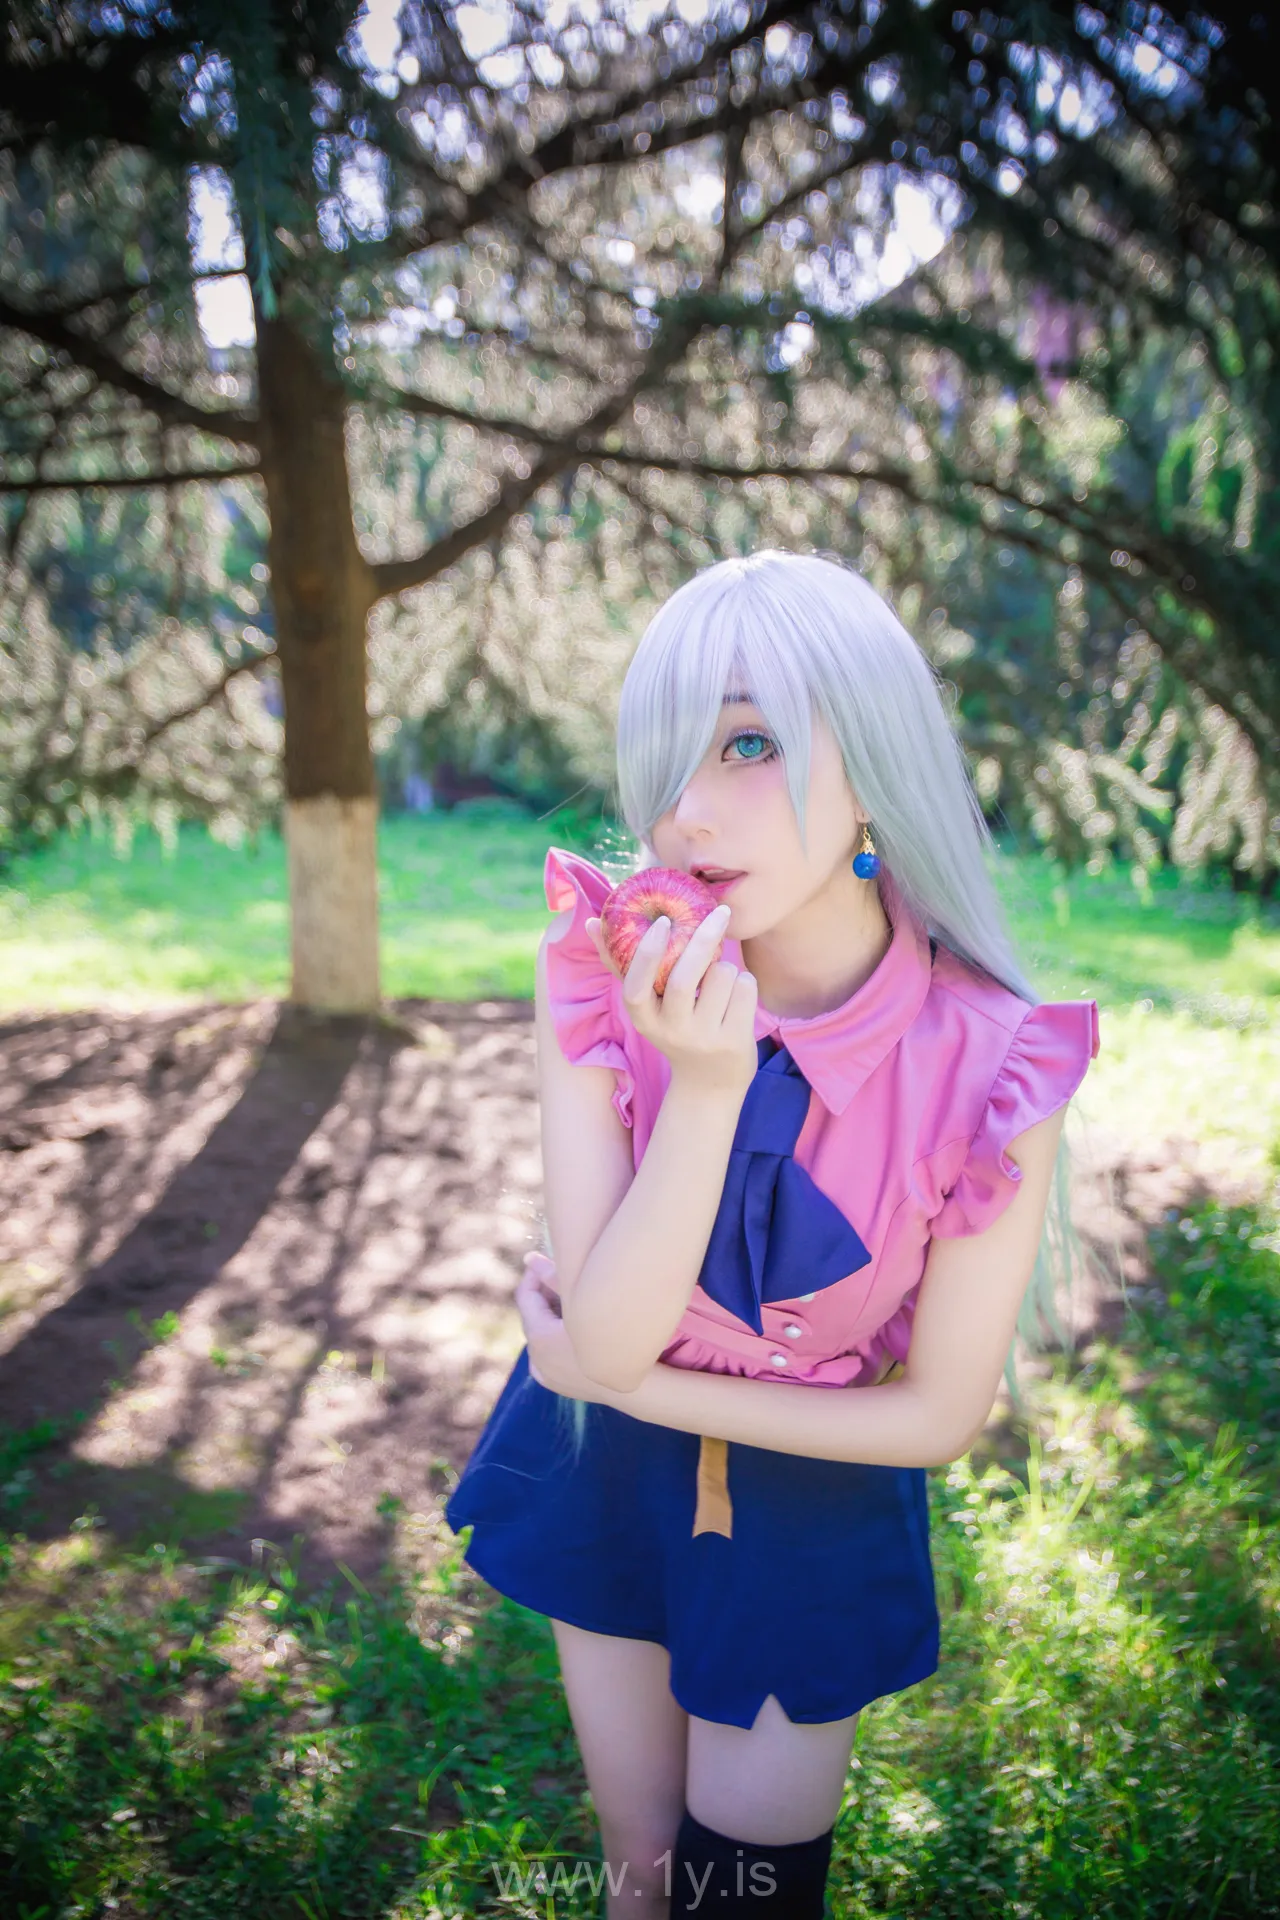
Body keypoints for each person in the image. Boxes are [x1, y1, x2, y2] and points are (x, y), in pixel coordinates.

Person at [444, 550, 1101, 1918]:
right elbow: (607, 1333)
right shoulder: (601, 968)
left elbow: (936, 1418)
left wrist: (620, 1381)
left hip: (814, 1492)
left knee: (745, 1896)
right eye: (666, 756)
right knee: (640, 1875)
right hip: (609, 1475)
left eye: (748, 743)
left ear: (873, 765)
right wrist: (705, 1090)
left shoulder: (993, 1061)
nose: (684, 810)